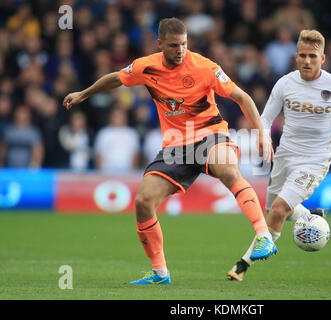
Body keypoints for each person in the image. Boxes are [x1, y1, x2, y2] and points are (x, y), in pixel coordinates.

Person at [62, 17, 276, 285]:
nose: (180, 50)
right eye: (174, 45)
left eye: (184, 44)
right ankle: (160, 273)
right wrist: (84, 93)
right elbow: (116, 78)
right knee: (143, 202)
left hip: (211, 133)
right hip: (176, 146)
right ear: (160, 44)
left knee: (228, 170)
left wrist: (261, 134)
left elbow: (242, 97)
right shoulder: (146, 67)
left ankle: (263, 236)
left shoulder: (205, 67)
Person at [227, 30, 331, 282]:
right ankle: (311, 216)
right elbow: (266, 118)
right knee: (271, 210)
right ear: (296, 56)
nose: (307, 60)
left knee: (278, 211)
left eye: (312, 56)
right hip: (285, 155)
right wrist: (264, 137)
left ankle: (243, 264)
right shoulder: (285, 83)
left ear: (323, 58)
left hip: (315, 160)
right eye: (302, 55)